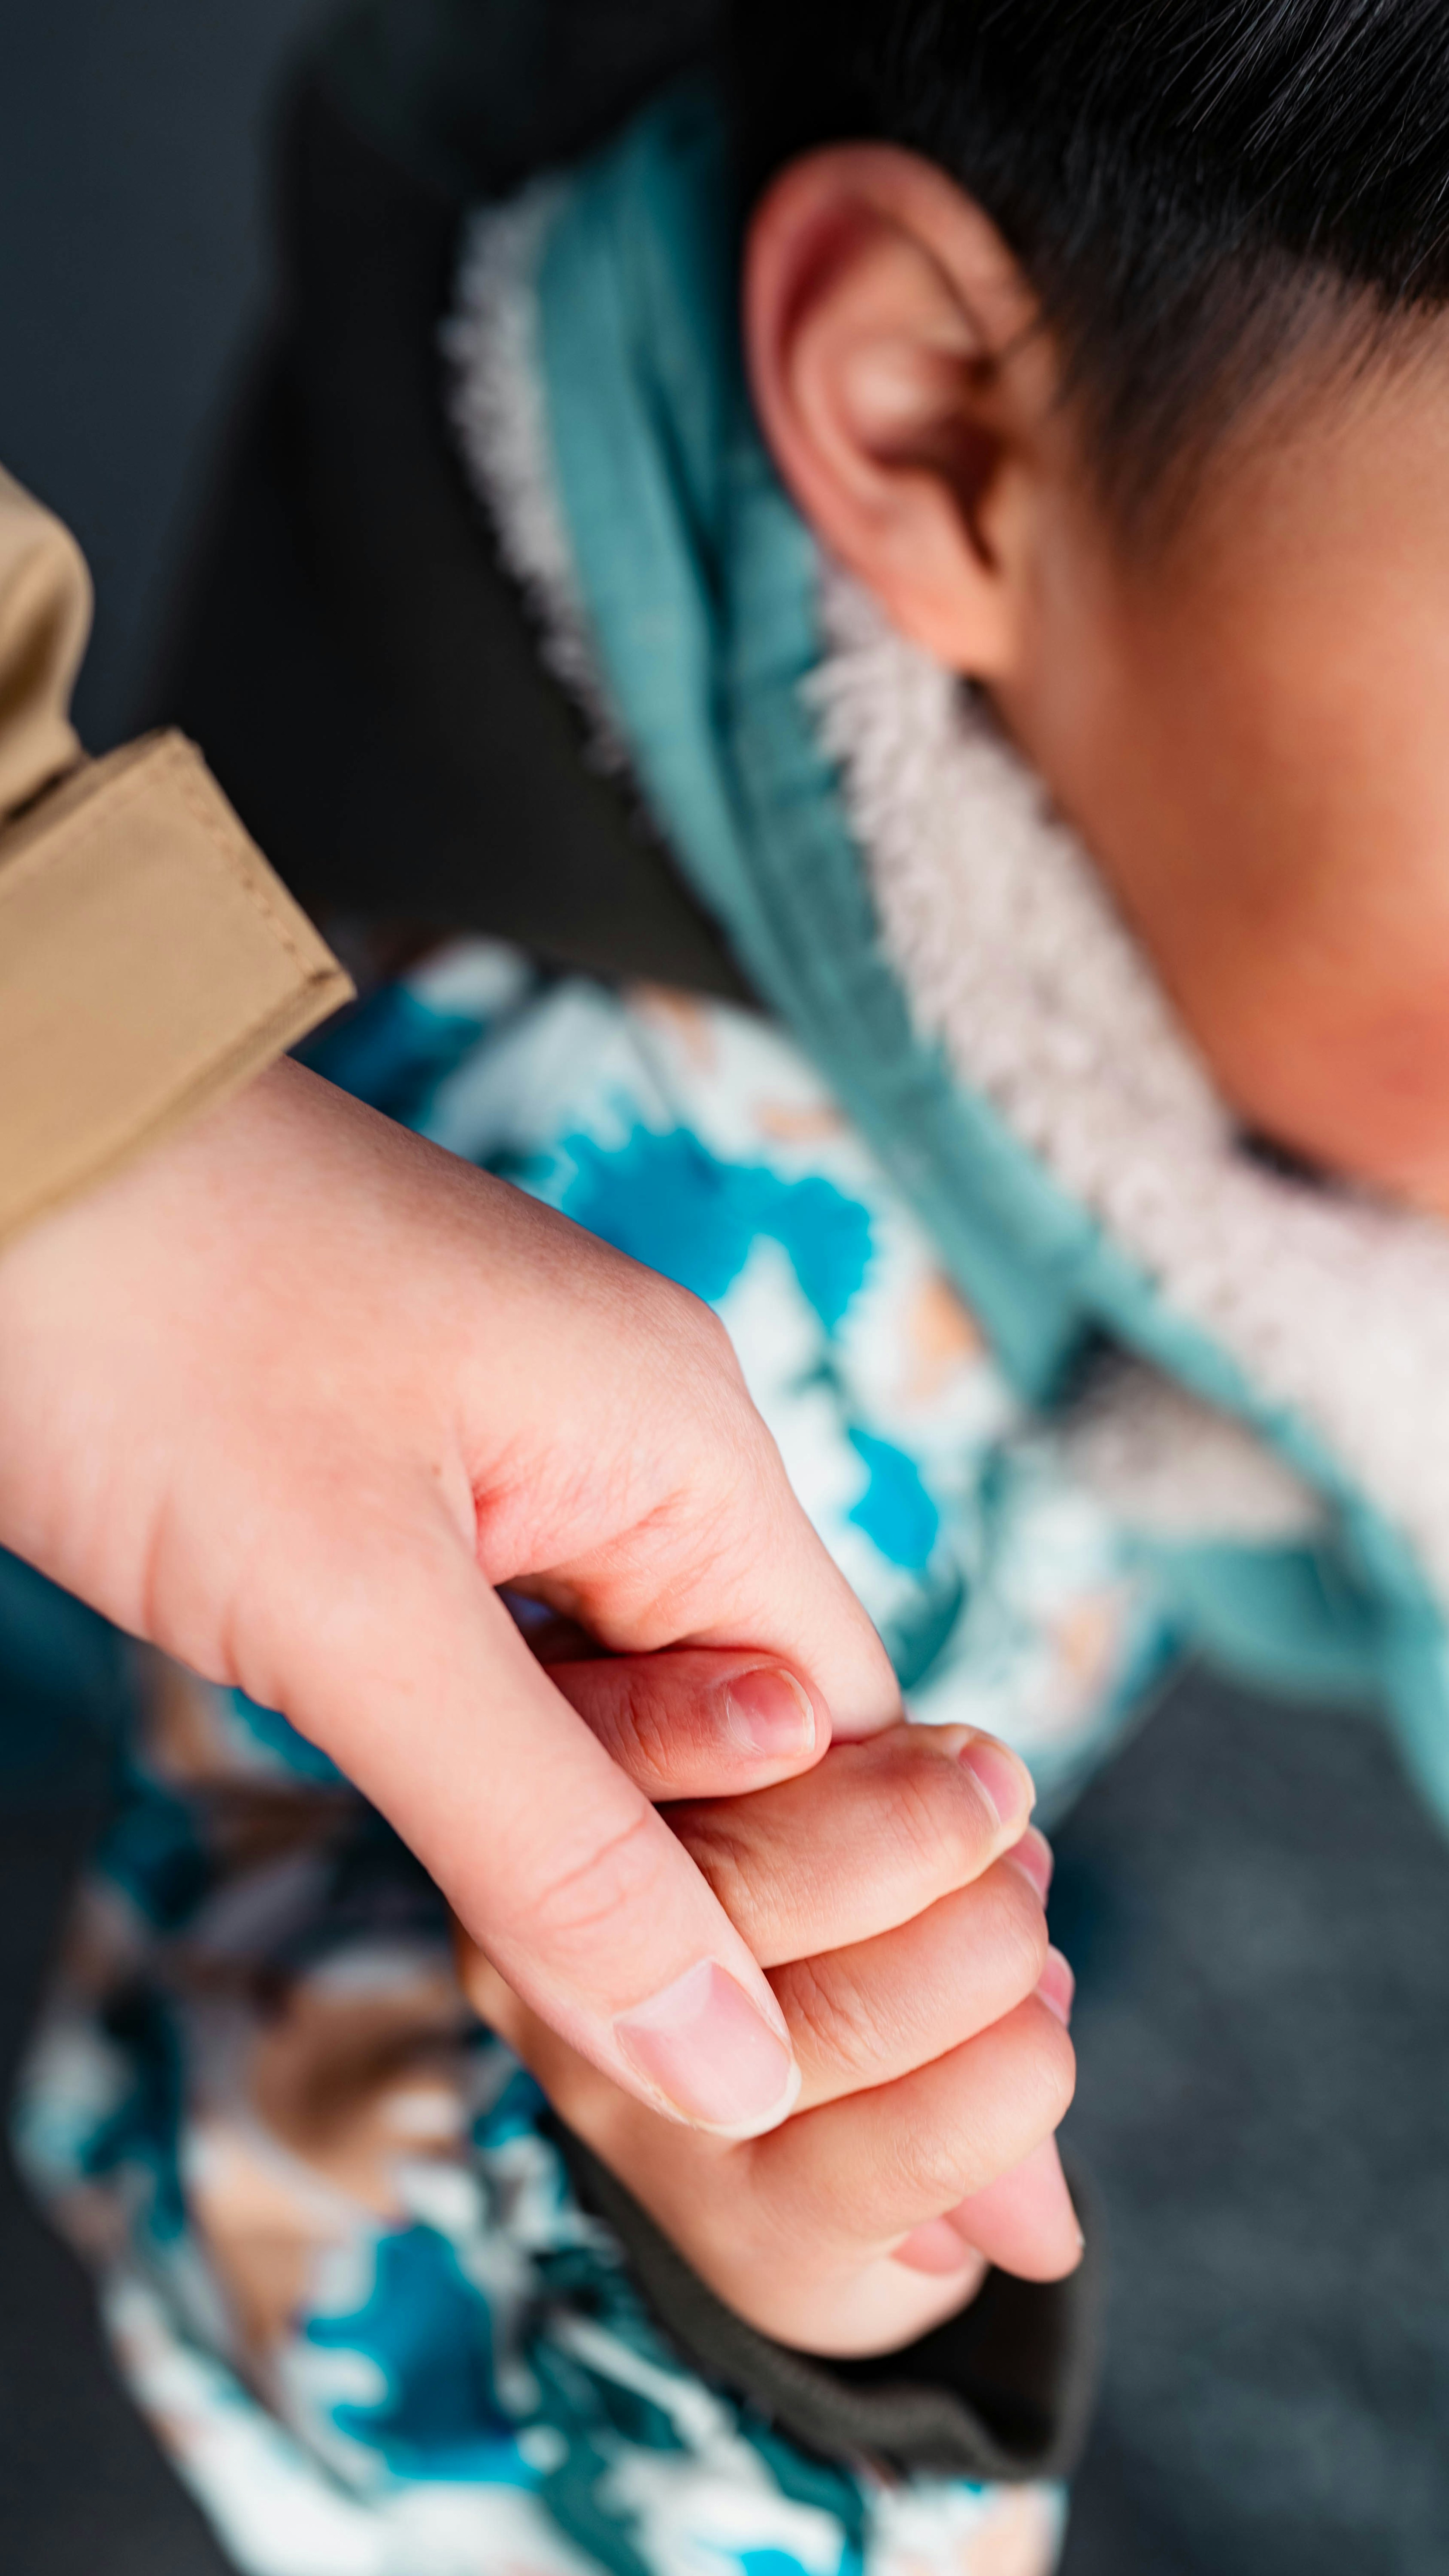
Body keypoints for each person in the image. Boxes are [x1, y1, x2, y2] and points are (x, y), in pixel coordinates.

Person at [22, 0, 1449, 2568]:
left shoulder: (1225, 805)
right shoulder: (628, 1228)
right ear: (921, 430)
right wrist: (762, 2282)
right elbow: (295, 2185)